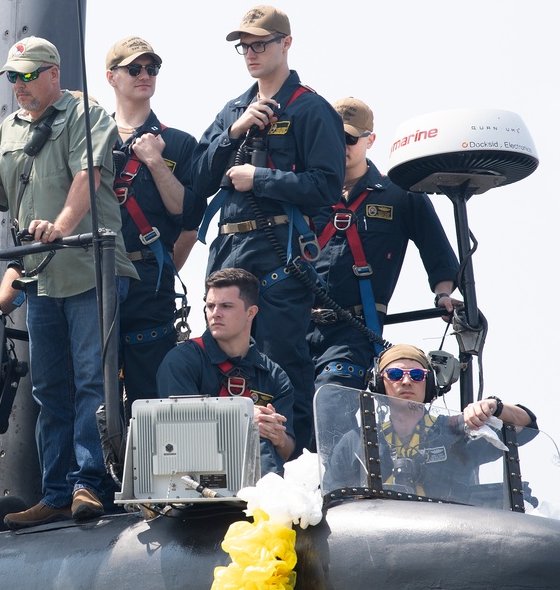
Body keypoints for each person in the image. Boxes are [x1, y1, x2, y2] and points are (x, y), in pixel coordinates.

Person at [0, 36, 137, 530]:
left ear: (54, 74)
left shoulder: (85, 115)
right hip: (41, 279)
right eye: (12, 77)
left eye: (27, 75)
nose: (18, 85)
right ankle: (58, 491)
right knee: (48, 389)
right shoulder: (8, 131)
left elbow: (89, 179)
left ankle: (91, 484)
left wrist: (61, 226)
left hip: (87, 271)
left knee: (91, 382)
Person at [194, 5, 345, 453]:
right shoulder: (233, 109)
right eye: (245, 46)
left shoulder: (312, 109)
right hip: (228, 249)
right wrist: (233, 134)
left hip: (278, 251)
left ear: (286, 44)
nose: (251, 53)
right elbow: (196, 180)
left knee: (282, 361)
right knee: (218, 357)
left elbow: (327, 186)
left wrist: (260, 179)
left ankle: (294, 464)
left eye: (260, 43)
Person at [308, 97, 461, 391]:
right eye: (332, 137)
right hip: (294, 324)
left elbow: (437, 250)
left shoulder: (400, 194)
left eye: (349, 139)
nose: (340, 146)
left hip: (353, 332)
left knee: (331, 396)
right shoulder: (305, 189)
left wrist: (443, 294)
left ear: (370, 140)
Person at [105, 35, 206, 407]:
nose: (144, 74)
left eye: (152, 68)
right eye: (134, 69)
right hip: (92, 279)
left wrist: (155, 161)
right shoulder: (85, 139)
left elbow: (189, 215)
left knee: (150, 400)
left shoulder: (179, 143)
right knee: (91, 395)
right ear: (111, 77)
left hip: (149, 282)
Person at [323, 344, 537, 502]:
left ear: (430, 384)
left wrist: (494, 407)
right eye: (395, 374)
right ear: (379, 384)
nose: (406, 381)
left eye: (417, 375)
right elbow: (331, 500)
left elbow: (527, 427)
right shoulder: (356, 442)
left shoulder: (456, 433)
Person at [156, 268, 295, 475]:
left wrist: (278, 436)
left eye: (226, 306)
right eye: (210, 306)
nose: (215, 313)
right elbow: (180, 436)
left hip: (261, 495)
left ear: (251, 312)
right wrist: (245, 420)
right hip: (196, 489)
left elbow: (288, 451)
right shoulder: (181, 362)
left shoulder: (274, 376)